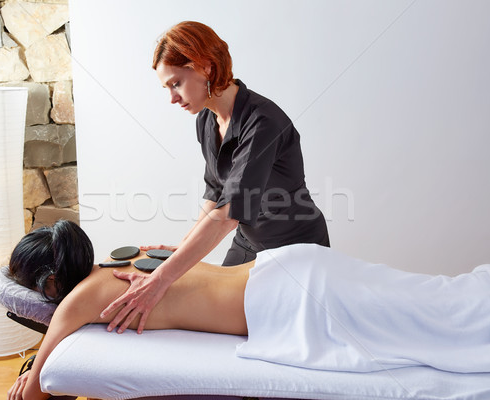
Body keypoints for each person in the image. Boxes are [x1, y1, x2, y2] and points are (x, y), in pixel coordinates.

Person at [7, 224, 490, 399]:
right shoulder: (128, 258)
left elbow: (40, 384)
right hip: (289, 269)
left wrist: (26, 373)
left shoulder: (80, 298)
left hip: (288, 303)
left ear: (50, 283)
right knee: (435, 301)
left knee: (438, 319)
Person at [102, 20, 330, 335]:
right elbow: (215, 196)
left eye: (176, 83)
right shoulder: (207, 121)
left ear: (206, 68)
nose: (172, 98)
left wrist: (160, 279)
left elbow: (227, 215)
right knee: (217, 328)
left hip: (294, 249)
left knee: (279, 334)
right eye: (167, 87)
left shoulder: (263, 123)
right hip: (247, 242)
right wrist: (179, 252)